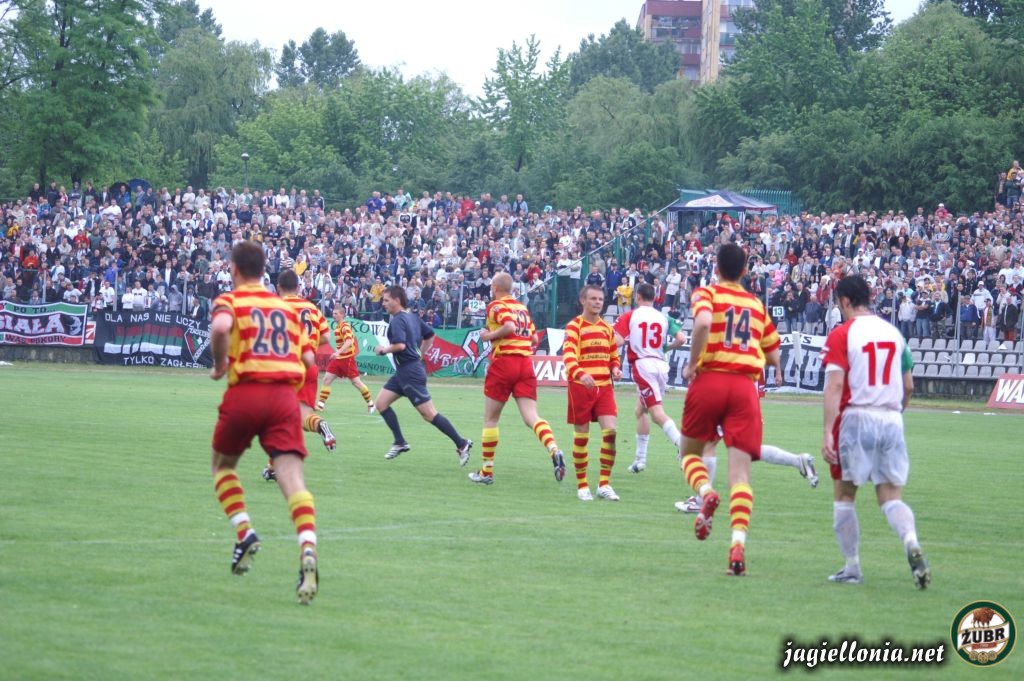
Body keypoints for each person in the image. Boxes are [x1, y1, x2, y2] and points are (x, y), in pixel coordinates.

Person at [207, 241, 319, 604]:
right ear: (263, 270)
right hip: (284, 399)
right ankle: (307, 546)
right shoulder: (285, 308)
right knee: (292, 479)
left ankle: (245, 532)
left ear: (234, 269)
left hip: (246, 392)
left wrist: (220, 364)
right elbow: (308, 359)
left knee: (223, 466)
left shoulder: (231, 300)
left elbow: (221, 327)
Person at [678, 243, 782, 577]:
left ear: (716, 268)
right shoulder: (756, 304)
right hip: (744, 388)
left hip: (710, 380)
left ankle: (706, 492)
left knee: (689, 453)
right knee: (741, 475)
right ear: (745, 270)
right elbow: (774, 355)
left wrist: (692, 363)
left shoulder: (707, 293)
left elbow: (702, 323)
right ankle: (737, 546)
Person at [821, 275, 930, 589]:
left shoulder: (843, 334)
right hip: (891, 418)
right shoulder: (894, 333)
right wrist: (896, 412)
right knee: (890, 497)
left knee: (845, 495)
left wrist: (828, 431)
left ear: (845, 301)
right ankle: (910, 541)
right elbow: (909, 385)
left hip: (857, 417)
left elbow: (835, 385)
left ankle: (852, 567)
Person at [469, 272, 566, 485]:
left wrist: (488, 336)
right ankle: (553, 449)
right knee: (532, 417)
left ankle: (486, 472)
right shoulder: (522, 308)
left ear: (495, 288)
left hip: (504, 363)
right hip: (525, 364)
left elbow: (510, 327)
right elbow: (534, 338)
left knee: (491, 419)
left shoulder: (496, 306)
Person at [373, 285, 473, 465]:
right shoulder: (411, 317)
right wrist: (420, 354)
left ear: (397, 300)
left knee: (429, 414)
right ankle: (400, 442)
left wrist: (383, 350)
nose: (383, 303)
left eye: (386, 300)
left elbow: (400, 345)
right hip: (404, 371)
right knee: (381, 403)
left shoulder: (397, 320)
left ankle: (462, 443)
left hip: (410, 373)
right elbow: (430, 335)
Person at [262, 269, 338, 482]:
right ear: (298, 287)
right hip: (309, 365)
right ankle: (320, 425)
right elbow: (326, 337)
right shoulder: (312, 308)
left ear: (278, 287)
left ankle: (274, 466)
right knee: (302, 418)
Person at [611, 283, 685, 474]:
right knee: (640, 410)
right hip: (661, 365)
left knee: (656, 413)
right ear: (654, 298)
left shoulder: (631, 315)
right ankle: (640, 460)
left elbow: (618, 340)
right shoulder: (664, 317)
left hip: (644, 366)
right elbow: (681, 338)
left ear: (637, 297)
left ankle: (683, 445)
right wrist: (666, 348)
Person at [563, 285, 622, 501]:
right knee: (582, 436)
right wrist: (580, 373)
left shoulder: (607, 328)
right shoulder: (574, 326)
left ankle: (604, 484)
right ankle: (582, 485)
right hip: (580, 387)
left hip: (604, 387)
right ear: (583, 301)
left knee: (611, 432)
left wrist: (615, 368)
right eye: (593, 299)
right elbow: (568, 355)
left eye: (600, 299)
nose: (598, 302)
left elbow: (614, 355)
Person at [317, 308, 375, 414]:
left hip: (347, 359)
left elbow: (349, 341)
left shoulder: (345, 326)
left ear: (342, 315)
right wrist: (338, 353)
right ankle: (320, 405)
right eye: (333, 313)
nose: (333, 315)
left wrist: (338, 352)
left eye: (336, 313)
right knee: (326, 379)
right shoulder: (338, 326)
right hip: (338, 359)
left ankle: (371, 404)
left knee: (356, 383)